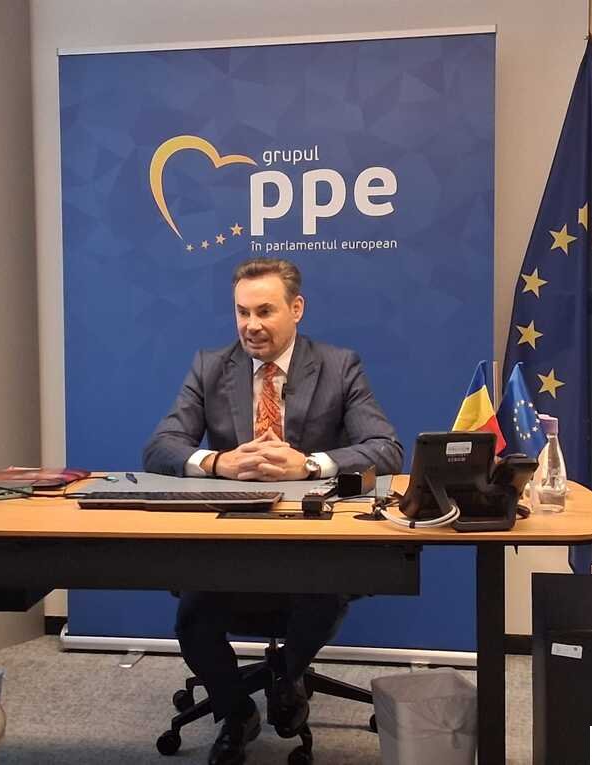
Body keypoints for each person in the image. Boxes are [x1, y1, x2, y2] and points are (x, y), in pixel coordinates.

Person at [143, 258, 404, 765]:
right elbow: (160, 446)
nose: (251, 325)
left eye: (264, 311)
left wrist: (308, 464)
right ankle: (236, 710)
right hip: (230, 538)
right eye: (242, 312)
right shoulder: (210, 366)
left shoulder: (338, 365)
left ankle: (287, 676)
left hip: (311, 539)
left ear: (296, 309)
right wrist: (217, 461)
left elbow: (385, 448)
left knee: (323, 594)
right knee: (193, 617)